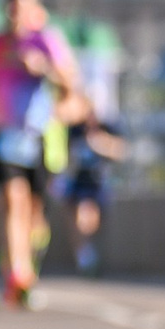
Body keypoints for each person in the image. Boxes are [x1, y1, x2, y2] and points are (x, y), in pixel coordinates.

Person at [0, 0, 80, 307]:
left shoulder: (46, 41)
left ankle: (21, 261)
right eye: (11, 5)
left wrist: (43, 68)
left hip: (38, 137)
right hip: (2, 134)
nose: (16, 12)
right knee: (12, 201)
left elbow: (70, 86)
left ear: (35, 9)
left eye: (23, 5)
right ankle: (18, 275)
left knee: (35, 213)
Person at [58, 92, 126, 276]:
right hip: (77, 182)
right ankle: (85, 256)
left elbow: (121, 151)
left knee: (91, 222)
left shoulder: (107, 128)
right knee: (80, 218)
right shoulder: (74, 130)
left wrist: (101, 145)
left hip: (98, 183)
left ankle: (87, 253)